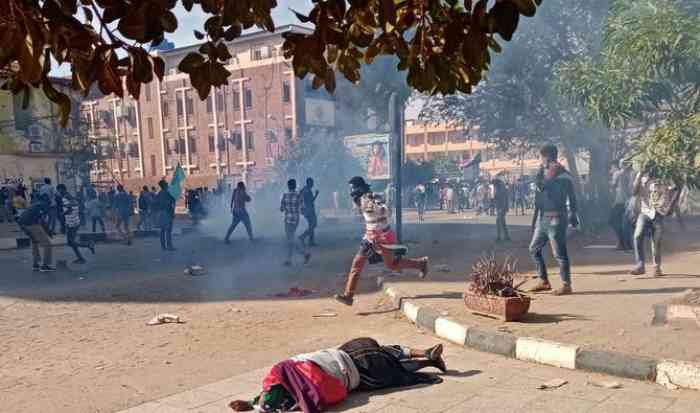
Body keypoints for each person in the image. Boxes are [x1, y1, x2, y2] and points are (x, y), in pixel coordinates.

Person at [229, 337, 445, 413]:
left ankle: (427, 362)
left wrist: (252, 404)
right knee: (388, 350)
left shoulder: (306, 393)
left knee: (396, 373)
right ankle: (424, 353)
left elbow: (338, 393)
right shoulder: (286, 369)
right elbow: (270, 391)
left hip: (361, 371)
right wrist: (251, 403)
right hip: (347, 349)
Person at [335, 177, 428, 306]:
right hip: (370, 238)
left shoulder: (370, 198)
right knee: (357, 264)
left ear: (359, 189)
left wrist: (375, 205)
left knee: (392, 265)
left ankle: (420, 264)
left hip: (383, 237)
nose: (352, 193)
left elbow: (385, 211)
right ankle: (348, 296)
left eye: (353, 189)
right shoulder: (363, 200)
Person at [529, 144, 579, 296]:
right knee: (534, 248)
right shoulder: (563, 172)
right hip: (546, 217)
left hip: (555, 218)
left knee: (559, 253)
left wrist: (539, 171)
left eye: (542, 157)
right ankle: (544, 281)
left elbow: (541, 186)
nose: (541, 160)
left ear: (548, 156)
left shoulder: (554, 170)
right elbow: (572, 196)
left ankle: (566, 285)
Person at [629, 162, 680, 277]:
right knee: (637, 236)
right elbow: (633, 192)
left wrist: (671, 206)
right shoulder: (642, 177)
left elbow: (676, 189)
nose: (649, 169)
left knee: (656, 241)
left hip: (659, 212)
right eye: (647, 166)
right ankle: (640, 265)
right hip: (645, 212)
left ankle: (657, 267)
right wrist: (640, 174)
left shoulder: (665, 176)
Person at [57, 184, 95, 264]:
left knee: (70, 242)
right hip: (72, 221)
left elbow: (73, 205)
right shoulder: (67, 196)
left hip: (72, 222)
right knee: (71, 242)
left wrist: (62, 213)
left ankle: (88, 246)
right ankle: (81, 256)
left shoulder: (66, 196)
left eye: (59, 190)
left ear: (63, 189)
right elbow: (72, 206)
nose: (59, 192)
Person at [17, 196, 55, 272]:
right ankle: (45, 265)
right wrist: (49, 232)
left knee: (35, 242)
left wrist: (47, 231)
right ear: (48, 201)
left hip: (23, 224)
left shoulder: (35, 205)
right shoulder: (44, 205)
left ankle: (35, 264)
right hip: (31, 224)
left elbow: (40, 221)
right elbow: (43, 221)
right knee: (48, 244)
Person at [280, 179, 311, 266]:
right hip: (295, 220)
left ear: (288, 186)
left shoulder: (285, 195)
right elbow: (302, 208)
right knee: (290, 240)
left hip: (287, 220)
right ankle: (290, 259)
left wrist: (286, 208)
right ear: (295, 185)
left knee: (290, 239)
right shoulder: (298, 195)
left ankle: (304, 254)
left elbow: (281, 209)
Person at [610, 160, 633, 250]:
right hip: (628, 201)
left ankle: (622, 243)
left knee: (613, 221)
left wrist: (610, 184)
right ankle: (626, 244)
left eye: (611, 167)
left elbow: (613, 186)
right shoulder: (630, 174)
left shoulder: (617, 174)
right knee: (625, 223)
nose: (610, 170)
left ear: (617, 166)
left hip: (620, 201)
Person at [155, 179, 176, 251]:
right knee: (168, 230)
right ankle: (169, 246)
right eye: (166, 184)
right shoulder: (168, 193)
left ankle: (163, 246)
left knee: (162, 230)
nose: (167, 185)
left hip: (160, 213)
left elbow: (156, 204)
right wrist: (172, 213)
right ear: (164, 185)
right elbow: (172, 203)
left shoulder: (159, 194)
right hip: (167, 213)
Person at [299, 178, 319, 247]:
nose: (313, 184)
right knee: (314, 224)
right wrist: (316, 194)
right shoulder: (307, 191)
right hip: (309, 210)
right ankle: (302, 236)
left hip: (306, 210)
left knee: (311, 225)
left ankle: (311, 241)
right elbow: (311, 201)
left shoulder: (304, 189)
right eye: (312, 183)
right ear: (309, 183)